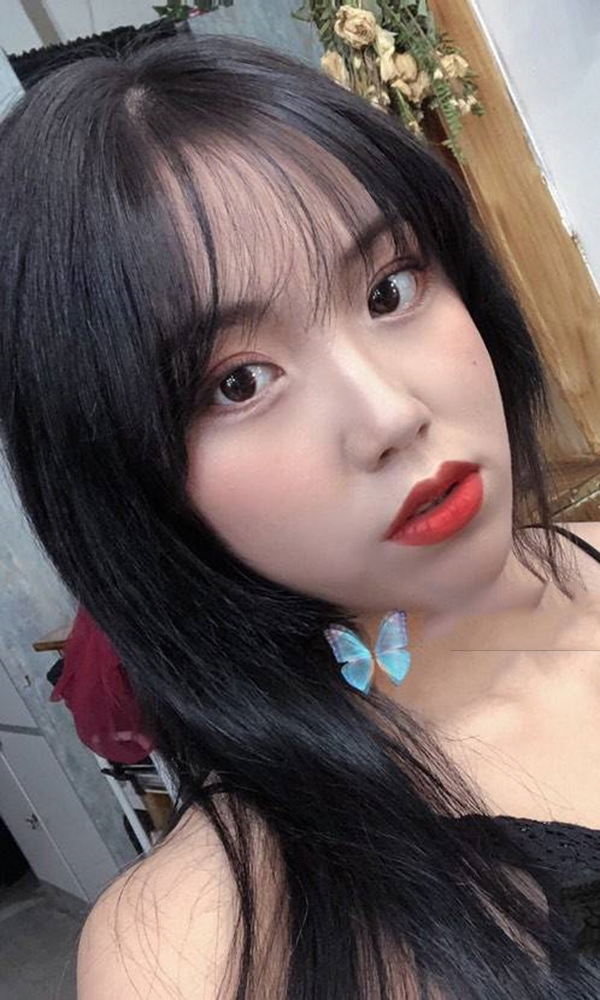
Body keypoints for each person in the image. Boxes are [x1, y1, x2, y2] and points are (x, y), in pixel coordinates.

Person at [0, 33, 599, 1000]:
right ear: (124, 479)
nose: (389, 415)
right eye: (237, 382)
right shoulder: (195, 949)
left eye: (390, 289)